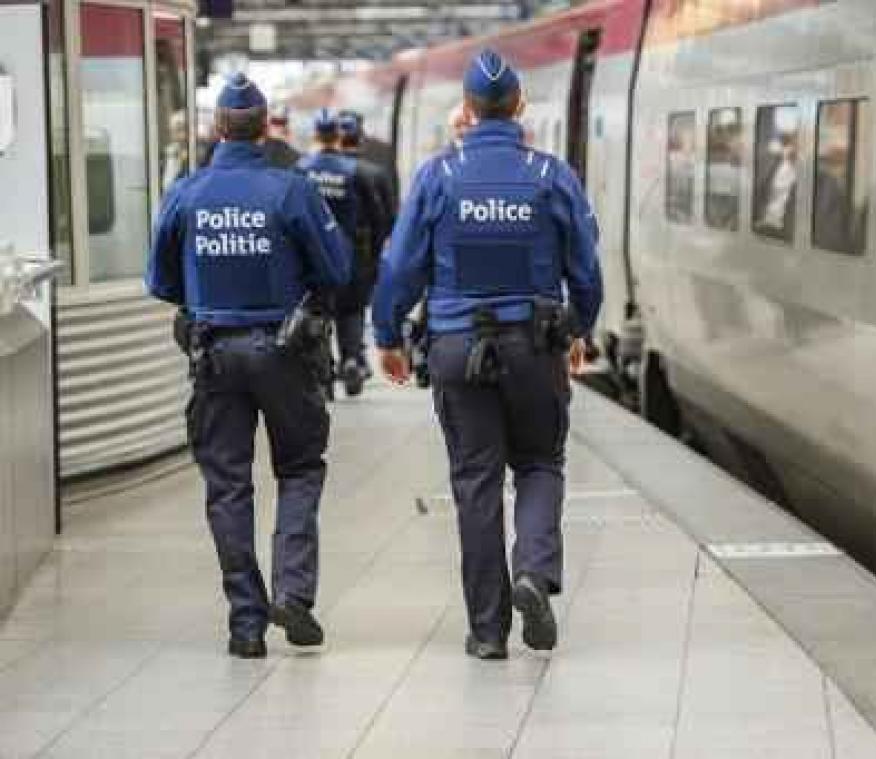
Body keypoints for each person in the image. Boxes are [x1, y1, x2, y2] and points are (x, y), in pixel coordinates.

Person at [373, 49, 602, 660]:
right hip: (534, 345)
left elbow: (400, 267)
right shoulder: (552, 175)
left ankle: (487, 631)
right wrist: (579, 328)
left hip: (455, 347)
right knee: (540, 462)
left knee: (475, 483)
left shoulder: (438, 176)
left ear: (468, 109)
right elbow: (586, 267)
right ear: (520, 105)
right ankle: (533, 571)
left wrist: (387, 335)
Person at [145, 74, 351, 658]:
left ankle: (245, 622)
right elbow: (335, 270)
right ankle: (293, 592)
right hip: (285, 352)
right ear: (265, 130)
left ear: (217, 128)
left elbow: (160, 281)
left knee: (228, 485)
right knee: (301, 467)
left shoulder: (186, 193)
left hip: (212, 353)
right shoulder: (291, 190)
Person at [296, 109, 389, 396]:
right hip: (350, 254)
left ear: (315, 135)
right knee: (351, 311)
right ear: (338, 136)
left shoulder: (300, 170)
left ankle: (323, 371)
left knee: (318, 312)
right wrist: (373, 257)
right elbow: (378, 219)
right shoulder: (355, 172)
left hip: (311, 258)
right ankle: (351, 359)